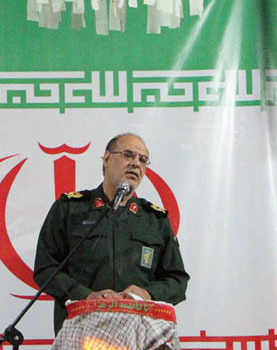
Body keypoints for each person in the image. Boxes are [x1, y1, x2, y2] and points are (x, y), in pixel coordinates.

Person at [33, 133, 189, 334]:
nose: (136, 164)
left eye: (143, 160)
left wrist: (147, 293)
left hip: (139, 335)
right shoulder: (70, 209)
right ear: (107, 158)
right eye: (128, 155)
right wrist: (85, 296)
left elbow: (177, 281)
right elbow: (46, 269)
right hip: (82, 331)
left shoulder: (154, 219)